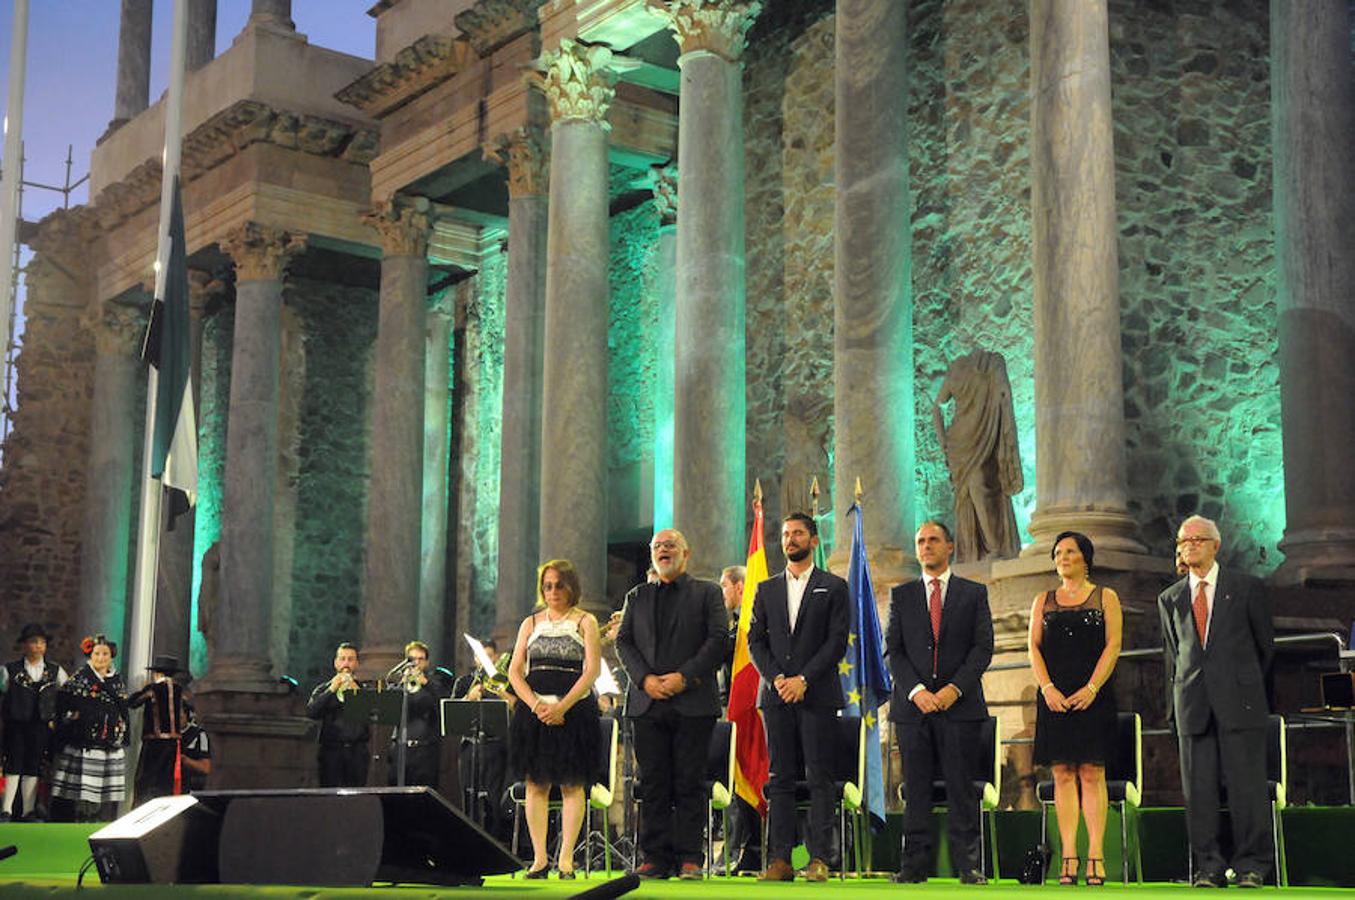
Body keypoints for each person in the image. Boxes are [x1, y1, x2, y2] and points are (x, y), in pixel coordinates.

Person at [1159, 515, 1274, 889]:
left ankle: (1251, 865)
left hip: (1241, 702)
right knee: (1200, 791)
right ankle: (1207, 866)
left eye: (1197, 538)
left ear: (1215, 545)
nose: (1188, 544)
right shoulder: (1172, 597)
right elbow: (1172, 656)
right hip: (1192, 704)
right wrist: (1172, 709)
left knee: (1247, 788)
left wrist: (1249, 691)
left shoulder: (1246, 588)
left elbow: (1264, 650)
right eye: (1182, 540)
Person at [615, 529, 727, 880]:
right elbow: (623, 642)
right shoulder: (638, 595)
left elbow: (718, 640)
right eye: (657, 547)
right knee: (654, 783)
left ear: (686, 553)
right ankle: (655, 857)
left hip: (693, 701)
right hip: (648, 703)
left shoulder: (708, 593)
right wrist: (646, 680)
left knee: (689, 781)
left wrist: (684, 677)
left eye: (670, 546)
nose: (663, 551)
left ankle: (691, 857)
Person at [885, 521, 993, 885]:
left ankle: (969, 865)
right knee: (915, 789)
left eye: (933, 540)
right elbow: (894, 653)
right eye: (920, 541)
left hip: (960, 709)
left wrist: (952, 690)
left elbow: (982, 649)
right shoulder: (901, 596)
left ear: (950, 546)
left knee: (961, 788)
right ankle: (914, 866)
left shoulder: (973, 593)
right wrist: (918, 692)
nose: (926, 546)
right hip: (913, 709)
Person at [747, 513, 850, 883]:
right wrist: (777, 678)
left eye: (798, 533)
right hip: (775, 696)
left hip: (817, 694)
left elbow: (836, 641)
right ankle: (780, 859)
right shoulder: (765, 589)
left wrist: (804, 679)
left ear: (814, 540)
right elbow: (754, 640)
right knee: (780, 778)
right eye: (786, 534)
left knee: (820, 776)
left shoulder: (834, 586)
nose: (790, 540)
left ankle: (821, 857)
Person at [1028, 532, 1123, 886]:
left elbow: (1113, 646)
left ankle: (1095, 854)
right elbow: (1033, 649)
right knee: (1063, 774)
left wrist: (1092, 688)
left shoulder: (1105, 597)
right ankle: (1069, 856)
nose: (1063, 556)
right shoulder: (1043, 600)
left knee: (1091, 773)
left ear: (1086, 557)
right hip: (1054, 695)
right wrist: (1048, 688)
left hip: (1094, 695)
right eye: (1058, 552)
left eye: (1070, 551)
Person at [507, 559, 602, 879]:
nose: (552, 591)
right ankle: (539, 859)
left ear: (571, 587)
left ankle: (565, 861)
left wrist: (563, 707)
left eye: (559, 585)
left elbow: (592, 671)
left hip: (574, 714)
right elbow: (515, 671)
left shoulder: (585, 621)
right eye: (547, 586)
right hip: (535, 715)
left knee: (572, 785)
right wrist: (535, 705)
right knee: (536, 784)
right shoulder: (530, 623)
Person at [50, 634, 130, 821]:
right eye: (97, 654)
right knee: (83, 787)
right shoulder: (80, 679)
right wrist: (74, 716)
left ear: (111, 657)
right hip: (84, 743)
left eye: (105, 654)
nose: (100, 658)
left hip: (109, 742)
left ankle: (97, 819)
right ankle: (79, 817)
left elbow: (123, 709)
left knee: (103, 789)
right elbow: (63, 703)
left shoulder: (116, 682)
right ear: (90, 655)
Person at [1, 623, 69, 820]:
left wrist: (62, 716)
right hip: (16, 725)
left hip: (40, 725)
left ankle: (28, 810)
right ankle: (6, 810)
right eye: (33, 642)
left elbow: (67, 692)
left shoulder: (55, 671)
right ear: (24, 645)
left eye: (41, 642)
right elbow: (2, 691)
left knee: (33, 765)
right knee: (13, 764)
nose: (38, 646)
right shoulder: (9, 670)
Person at [716, 564, 759, 874]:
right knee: (732, 784)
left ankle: (749, 848)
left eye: (724, 587)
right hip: (730, 711)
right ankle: (735, 849)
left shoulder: (751, 625)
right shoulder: (732, 626)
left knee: (748, 778)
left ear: (740, 587)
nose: (722, 594)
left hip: (752, 714)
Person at [129, 655, 194, 803]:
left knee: (147, 779)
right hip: (174, 743)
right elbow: (190, 708)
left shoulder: (153, 689)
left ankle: (142, 809)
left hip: (154, 742)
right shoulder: (179, 690)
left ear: (156, 673)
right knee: (167, 781)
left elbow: (133, 703)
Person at [305, 642, 370, 788]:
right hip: (331, 751)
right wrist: (332, 690)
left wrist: (356, 693)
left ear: (357, 664)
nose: (346, 663)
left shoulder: (364, 690)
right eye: (343, 659)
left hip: (357, 753)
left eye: (350, 659)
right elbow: (312, 712)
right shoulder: (322, 689)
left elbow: (372, 715)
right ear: (336, 663)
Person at [386, 640, 450, 789]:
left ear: (426, 662)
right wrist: (401, 686)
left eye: (420, 659)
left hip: (425, 752)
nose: (416, 663)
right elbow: (389, 710)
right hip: (401, 750)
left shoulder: (435, 683)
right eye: (412, 659)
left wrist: (426, 684)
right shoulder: (400, 684)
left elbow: (442, 705)